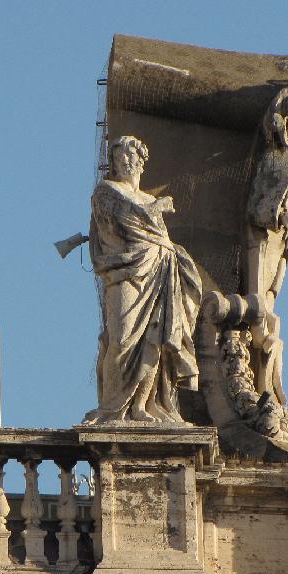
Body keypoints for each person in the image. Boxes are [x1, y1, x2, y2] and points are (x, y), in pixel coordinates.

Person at [84, 136, 202, 424]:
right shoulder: (106, 192)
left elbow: (158, 238)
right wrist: (156, 209)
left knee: (154, 338)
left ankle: (142, 406)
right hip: (125, 270)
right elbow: (121, 223)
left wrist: (155, 212)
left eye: (130, 156)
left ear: (141, 162)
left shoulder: (150, 200)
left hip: (158, 269)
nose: (125, 162)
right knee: (122, 338)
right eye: (119, 158)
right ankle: (111, 408)